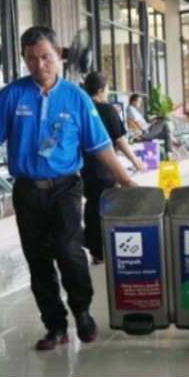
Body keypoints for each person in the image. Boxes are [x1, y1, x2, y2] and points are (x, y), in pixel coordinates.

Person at [0, 26, 137, 351]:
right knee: (37, 260)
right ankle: (55, 326)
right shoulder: (12, 95)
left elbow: (101, 144)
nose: (40, 65)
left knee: (68, 249)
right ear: (24, 58)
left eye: (46, 57)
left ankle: (81, 309)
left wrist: (124, 178)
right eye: (32, 59)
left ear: (59, 55)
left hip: (65, 187)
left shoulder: (76, 97)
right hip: (26, 191)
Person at [81, 72, 145, 264]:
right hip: (106, 169)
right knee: (107, 209)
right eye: (107, 89)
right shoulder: (108, 110)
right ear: (100, 90)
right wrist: (135, 161)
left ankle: (95, 250)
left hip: (85, 169)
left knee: (92, 207)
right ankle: (104, 249)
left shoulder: (82, 109)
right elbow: (120, 139)